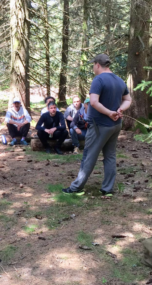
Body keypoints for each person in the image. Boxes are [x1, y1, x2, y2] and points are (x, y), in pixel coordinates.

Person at [62, 54, 131, 196]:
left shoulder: (98, 79)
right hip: (116, 125)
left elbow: (93, 102)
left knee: (89, 155)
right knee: (110, 156)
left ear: (98, 65)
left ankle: (76, 188)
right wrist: (119, 110)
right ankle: (107, 189)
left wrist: (109, 113)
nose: (93, 68)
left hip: (100, 125)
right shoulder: (119, 80)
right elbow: (128, 100)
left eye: (93, 65)